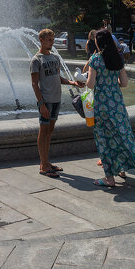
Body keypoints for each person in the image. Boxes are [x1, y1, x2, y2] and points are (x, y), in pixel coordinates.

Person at [86, 28, 135, 187]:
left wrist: (91, 80)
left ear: (98, 43)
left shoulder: (95, 59)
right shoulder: (118, 58)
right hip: (117, 104)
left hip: (102, 105)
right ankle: (123, 169)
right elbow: (124, 83)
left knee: (104, 140)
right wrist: (112, 83)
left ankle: (109, 178)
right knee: (122, 135)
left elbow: (90, 84)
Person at [30, 29, 82, 179]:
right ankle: (43, 165)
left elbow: (58, 77)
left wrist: (73, 82)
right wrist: (41, 104)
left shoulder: (54, 58)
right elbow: (34, 84)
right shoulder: (36, 60)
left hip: (56, 99)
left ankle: (47, 161)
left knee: (50, 131)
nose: (52, 43)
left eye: (52, 40)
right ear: (41, 40)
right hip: (45, 101)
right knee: (43, 130)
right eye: (49, 40)